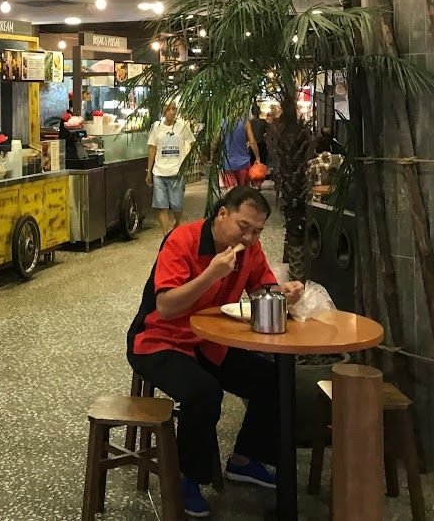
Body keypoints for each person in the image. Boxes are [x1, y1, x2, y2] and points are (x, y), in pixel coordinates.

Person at [126, 187, 305, 517]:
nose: (249, 237)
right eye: (243, 226)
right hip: (158, 340)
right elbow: (165, 306)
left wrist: (284, 291)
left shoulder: (249, 249)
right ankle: (187, 481)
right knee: (203, 392)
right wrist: (211, 274)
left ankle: (245, 459)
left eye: (257, 231)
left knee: (272, 379)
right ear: (222, 214)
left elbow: (261, 288)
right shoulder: (182, 240)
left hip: (208, 341)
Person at [146, 102, 196, 233]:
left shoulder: (182, 127)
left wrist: (187, 160)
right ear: (164, 111)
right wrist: (149, 171)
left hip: (176, 172)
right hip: (159, 172)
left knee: (176, 205)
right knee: (161, 206)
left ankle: (177, 222)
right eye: (168, 109)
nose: (172, 112)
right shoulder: (156, 127)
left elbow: (192, 142)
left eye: (174, 109)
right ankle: (166, 236)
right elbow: (152, 148)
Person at [220, 117, 259, 189]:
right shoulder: (245, 123)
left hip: (227, 163)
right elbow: (252, 142)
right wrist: (257, 158)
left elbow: (216, 141)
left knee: (231, 189)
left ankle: (232, 195)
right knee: (243, 189)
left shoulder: (221, 123)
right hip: (243, 163)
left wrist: (213, 155)